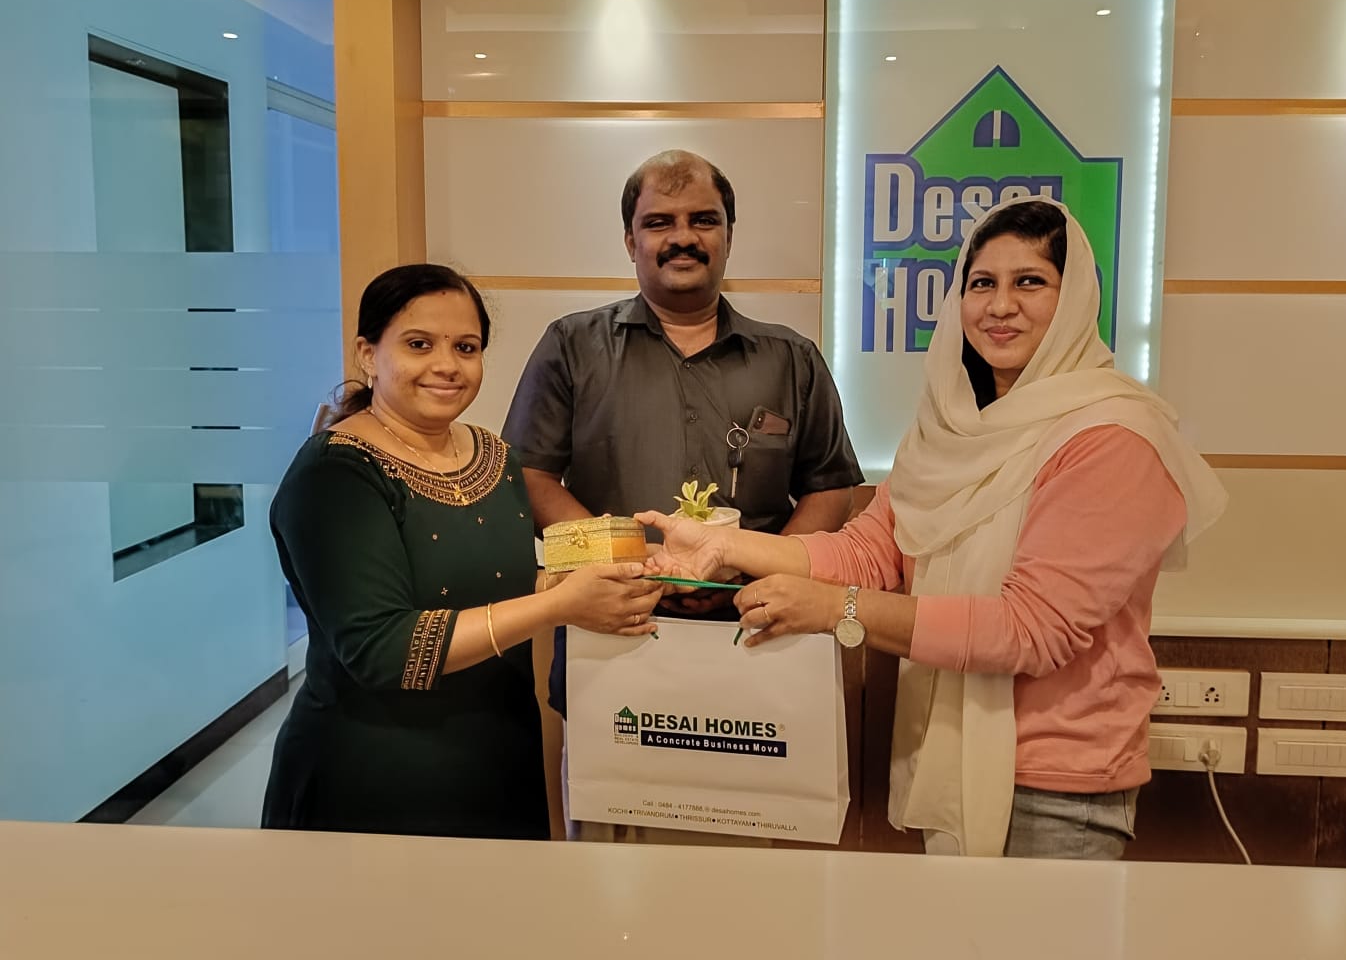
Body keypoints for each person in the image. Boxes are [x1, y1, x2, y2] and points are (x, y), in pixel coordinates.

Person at [641, 197, 1227, 860]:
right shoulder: (950, 429)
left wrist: (838, 610)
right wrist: (723, 544)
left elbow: (1031, 629)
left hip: (1059, 792)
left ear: (1074, 299)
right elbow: (871, 552)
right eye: (982, 283)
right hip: (946, 758)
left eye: (1029, 281)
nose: (1000, 305)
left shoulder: (1113, 437)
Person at [502, 149, 864, 841]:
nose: (683, 237)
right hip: (615, 638)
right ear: (630, 239)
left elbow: (830, 487)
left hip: (757, 644)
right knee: (613, 877)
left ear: (729, 234)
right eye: (659, 222)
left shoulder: (790, 358)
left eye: (704, 219)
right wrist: (627, 563)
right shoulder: (572, 347)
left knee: (753, 871)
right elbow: (531, 476)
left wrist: (755, 571)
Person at [262, 264, 661, 840]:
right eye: (419, 344)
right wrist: (559, 605)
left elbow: (492, 587)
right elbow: (382, 649)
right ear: (369, 354)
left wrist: (574, 586)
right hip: (374, 778)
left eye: (466, 347)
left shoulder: (494, 457)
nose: (447, 365)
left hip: (500, 758)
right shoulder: (335, 474)